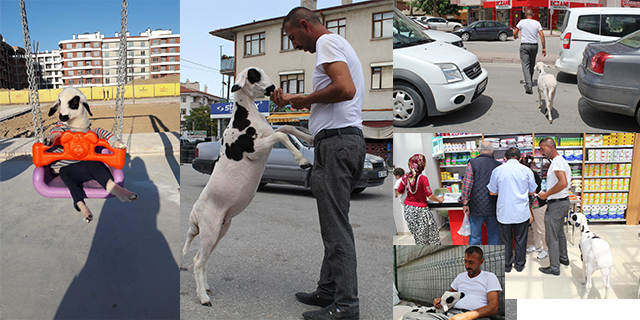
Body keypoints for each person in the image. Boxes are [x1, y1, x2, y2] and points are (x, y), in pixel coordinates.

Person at [270, 6, 366, 320]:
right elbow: (337, 93)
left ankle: (347, 305)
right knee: (333, 224)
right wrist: (293, 101)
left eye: (293, 37)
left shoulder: (327, 43)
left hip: (338, 145)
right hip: (342, 143)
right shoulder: (336, 45)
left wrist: (304, 99)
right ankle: (327, 290)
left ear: (304, 25)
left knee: (336, 229)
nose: (295, 44)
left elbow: (345, 89)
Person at [487, 148, 537, 272]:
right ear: (520, 158)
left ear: (505, 158)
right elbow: (532, 191)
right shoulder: (527, 171)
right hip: (521, 212)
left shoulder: (497, 170)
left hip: (504, 212)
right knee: (521, 239)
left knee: (505, 240)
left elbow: (492, 191)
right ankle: (519, 265)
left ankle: (507, 266)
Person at [431, 246, 502, 320]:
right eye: (465, 261)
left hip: (476, 317)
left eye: (471, 262)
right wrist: (439, 300)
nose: (467, 265)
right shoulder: (460, 276)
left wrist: (467, 316)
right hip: (452, 313)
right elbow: (449, 295)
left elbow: (493, 308)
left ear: (481, 262)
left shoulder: (489, 277)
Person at [537, 138, 571, 276]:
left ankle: (554, 268)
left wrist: (546, 194)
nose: (541, 152)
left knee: (552, 237)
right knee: (560, 233)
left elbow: (562, 183)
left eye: (542, 149)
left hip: (556, 204)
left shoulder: (556, 162)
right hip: (562, 202)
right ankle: (564, 259)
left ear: (551, 147)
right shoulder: (560, 161)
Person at [457, 141, 501, 245]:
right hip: (494, 206)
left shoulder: (472, 163)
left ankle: (475, 257)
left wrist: (465, 203)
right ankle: (494, 259)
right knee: (494, 236)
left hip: (476, 207)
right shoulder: (499, 165)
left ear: (478, 151)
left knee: (475, 237)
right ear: (492, 151)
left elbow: (467, 185)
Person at [397, 154, 444, 245]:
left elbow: (399, 191)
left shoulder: (405, 177)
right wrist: (439, 199)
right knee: (431, 236)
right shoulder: (423, 179)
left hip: (408, 211)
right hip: (421, 211)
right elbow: (429, 195)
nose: (425, 165)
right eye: (424, 163)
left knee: (418, 237)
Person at [520, 155, 549, 259]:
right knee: (535, 227)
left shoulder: (531, 174)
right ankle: (537, 246)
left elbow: (533, 190)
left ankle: (546, 249)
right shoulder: (530, 173)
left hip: (539, 203)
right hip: (533, 203)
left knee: (541, 227)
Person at [513, 8, 546, 94]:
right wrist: (544, 48)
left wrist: (515, 36)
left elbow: (515, 32)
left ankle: (528, 85)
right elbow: (542, 35)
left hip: (524, 46)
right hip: (534, 46)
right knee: (532, 65)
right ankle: (529, 81)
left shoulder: (521, 22)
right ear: (533, 15)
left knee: (525, 65)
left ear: (525, 15)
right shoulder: (537, 23)